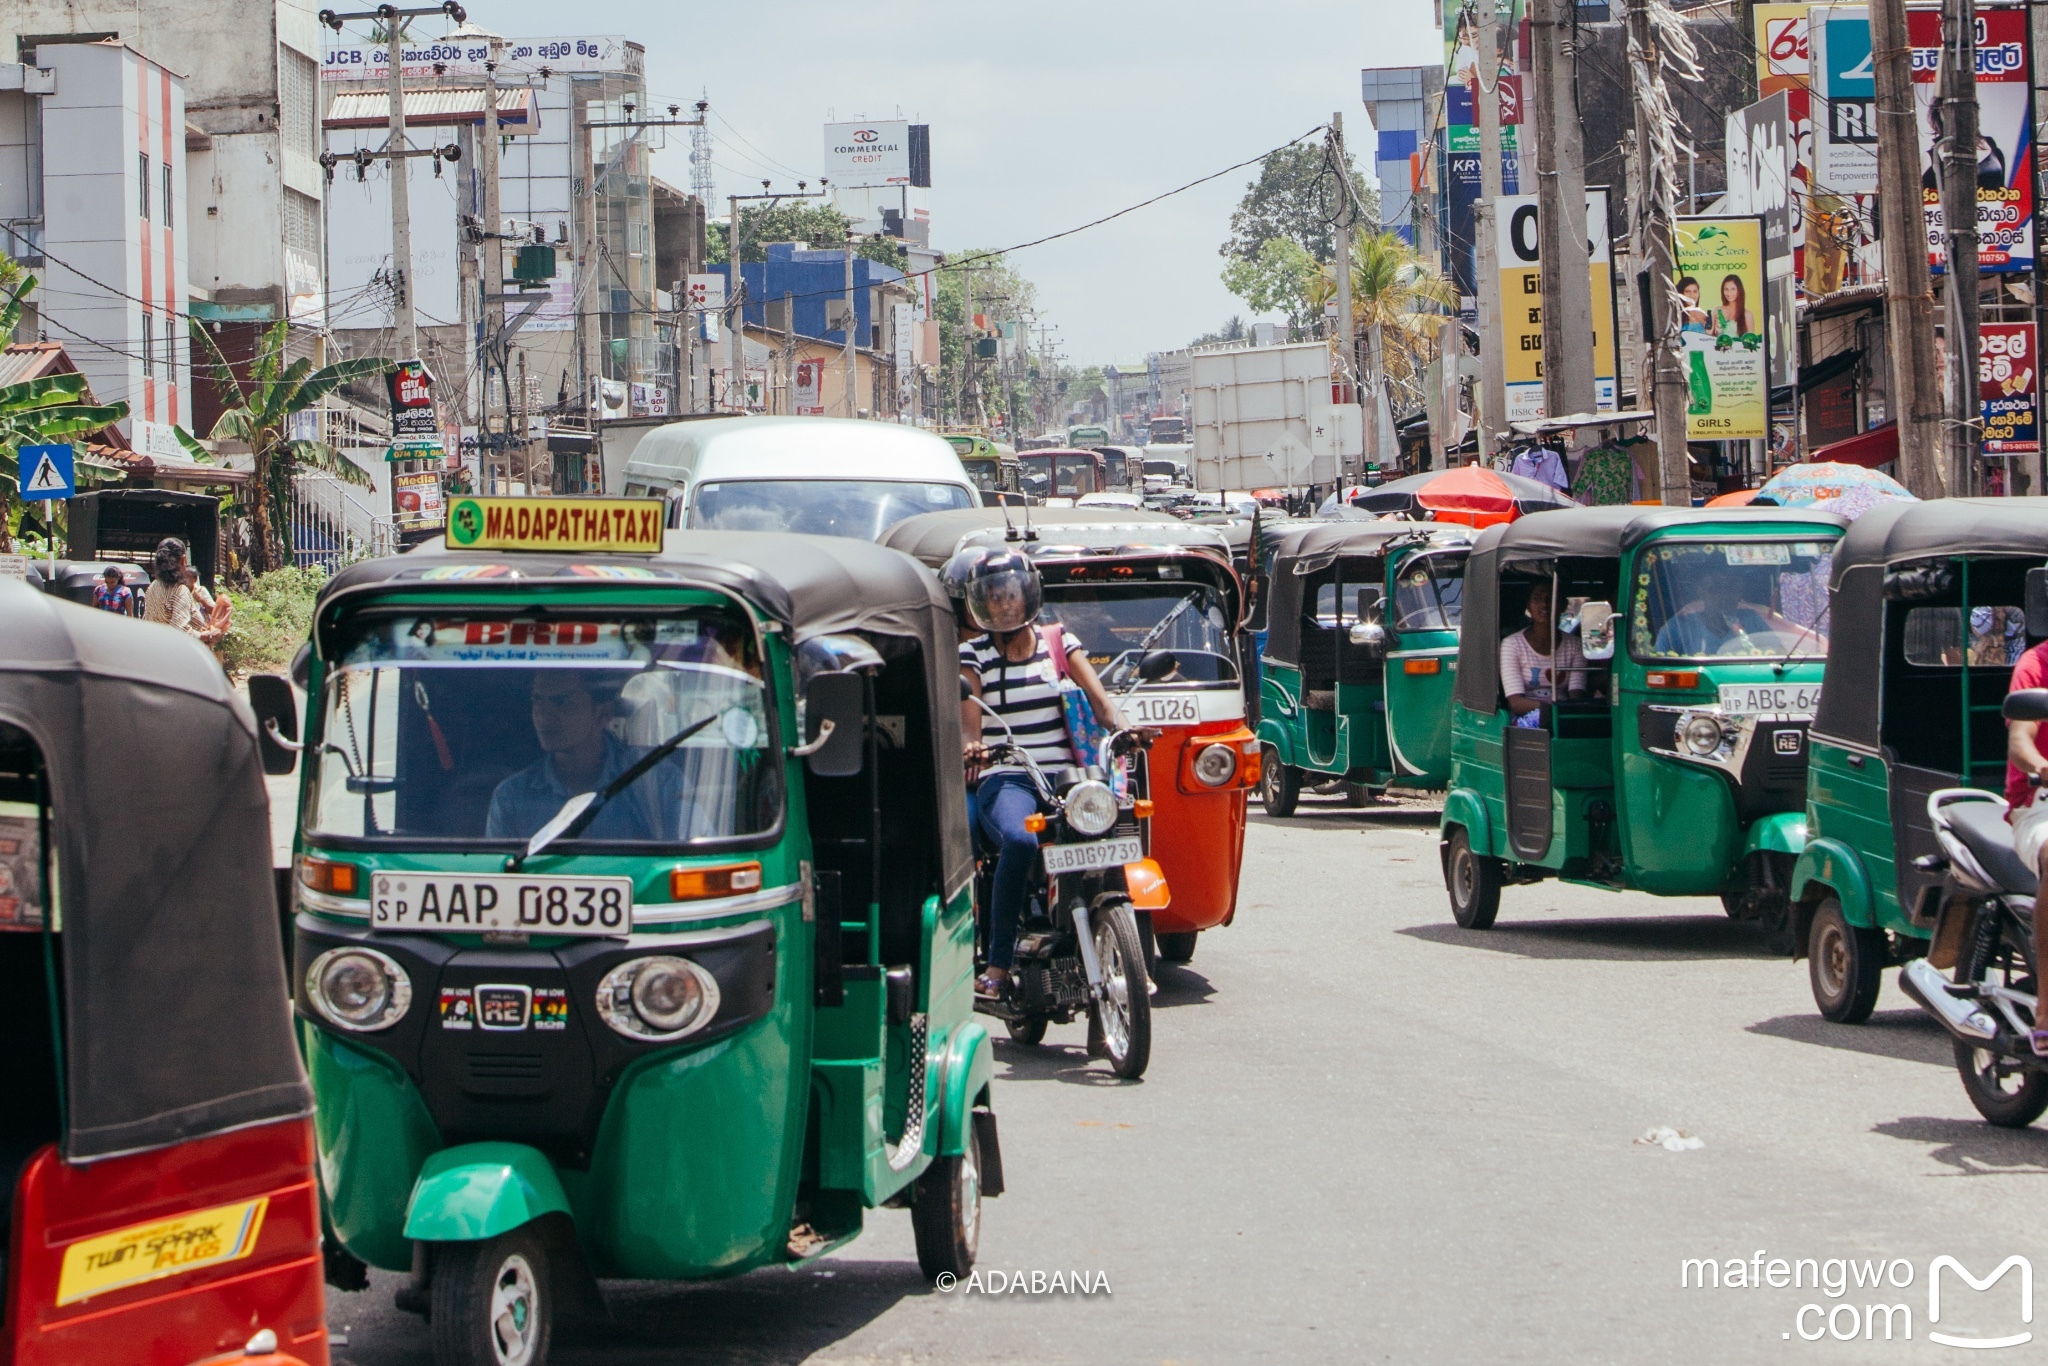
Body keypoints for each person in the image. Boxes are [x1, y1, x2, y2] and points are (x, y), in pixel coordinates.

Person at [955, 548, 1120, 1000]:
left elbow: (1102, 703)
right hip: (1008, 776)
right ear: (982, 604)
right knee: (1022, 840)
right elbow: (970, 720)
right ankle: (998, 963)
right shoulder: (972, 654)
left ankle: (1124, 939)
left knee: (1114, 827)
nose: (1005, 604)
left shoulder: (1058, 641)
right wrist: (974, 746)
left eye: (1011, 594)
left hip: (1067, 774)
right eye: (995, 597)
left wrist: (1128, 729)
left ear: (1027, 595)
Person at [485, 671, 685, 843]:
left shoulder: (658, 783)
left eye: (561, 701)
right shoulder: (511, 796)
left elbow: (697, 856)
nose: (543, 715)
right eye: (537, 700)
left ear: (602, 714)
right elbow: (501, 873)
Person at [2003, 633, 2048, 1056]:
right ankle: (2047, 1010)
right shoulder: (2037, 664)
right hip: (2040, 803)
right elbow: (2020, 739)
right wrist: (2040, 766)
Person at [1653, 564, 1795, 655]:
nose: (1724, 595)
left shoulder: (1751, 620)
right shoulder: (1677, 627)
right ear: (1701, 591)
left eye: (1732, 588)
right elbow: (1659, 668)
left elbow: (1778, 654)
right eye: (1715, 588)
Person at [1499, 579, 1585, 719]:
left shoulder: (1575, 645)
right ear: (1528, 605)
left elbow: (1575, 695)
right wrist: (1549, 710)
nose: (1544, 604)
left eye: (1551, 598)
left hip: (1564, 717)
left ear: (1563, 605)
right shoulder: (1512, 644)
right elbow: (1517, 703)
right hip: (1527, 719)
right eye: (1537, 599)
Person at [142, 538, 223, 644]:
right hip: (177, 655)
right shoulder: (179, 591)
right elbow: (178, 631)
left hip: (156, 648)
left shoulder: (153, 586)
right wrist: (207, 635)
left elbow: (147, 621)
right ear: (183, 560)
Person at [1713, 275, 1753, 341]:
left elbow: (1751, 343)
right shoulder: (1717, 311)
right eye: (1726, 289)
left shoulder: (1747, 314)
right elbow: (1710, 340)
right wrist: (1718, 332)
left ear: (1739, 290)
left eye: (1733, 289)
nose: (1729, 293)